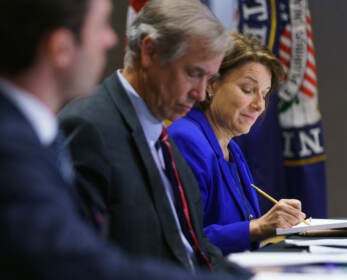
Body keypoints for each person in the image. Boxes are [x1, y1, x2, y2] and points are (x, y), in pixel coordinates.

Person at [0, 0, 249, 279]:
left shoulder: (162, 135)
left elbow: (194, 247)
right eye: (194, 74)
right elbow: (76, 261)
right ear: (150, 51)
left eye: (210, 79)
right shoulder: (86, 128)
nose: (201, 94)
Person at [168, 32, 306, 255]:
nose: (259, 105)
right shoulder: (186, 140)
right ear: (211, 84)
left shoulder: (232, 148)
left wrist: (278, 225)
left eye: (265, 93)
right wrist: (260, 226)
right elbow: (185, 241)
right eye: (248, 90)